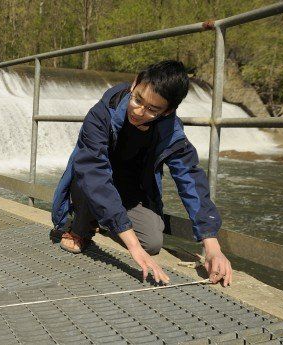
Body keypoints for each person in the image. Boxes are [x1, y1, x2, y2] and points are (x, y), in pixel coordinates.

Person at [51, 60, 232, 286]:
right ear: (134, 83)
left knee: (153, 243)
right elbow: (93, 173)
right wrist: (133, 248)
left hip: (131, 190)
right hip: (92, 182)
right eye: (138, 99)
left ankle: (111, 220)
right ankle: (81, 226)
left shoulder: (171, 132)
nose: (139, 111)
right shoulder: (102, 113)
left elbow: (191, 179)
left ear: (168, 110)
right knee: (88, 181)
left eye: (152, 109)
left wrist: (212, 245)